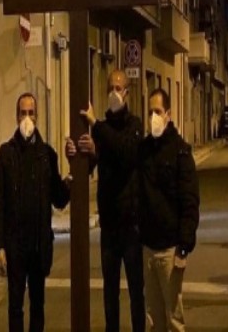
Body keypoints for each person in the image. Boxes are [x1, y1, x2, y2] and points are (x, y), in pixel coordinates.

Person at [66, 70, 146, 332]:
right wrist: (79, 154)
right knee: (110, 292)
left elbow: (126, 153)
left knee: (136, 291)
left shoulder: (135, 125)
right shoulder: (102, 129)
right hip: (109, 225)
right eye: (110, 87)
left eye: (118, 87)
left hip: (132, 225)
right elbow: (93, 164)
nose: (114, 92)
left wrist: (97, 128)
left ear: (127, 93)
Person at [0, 93, 71, 332]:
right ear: (17, 116)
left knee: (38, 305)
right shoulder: (7, 153)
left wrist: (71, 177)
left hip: (38, 246)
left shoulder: (47, 154)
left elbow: (58, 199)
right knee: (15, 306)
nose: (27, 118)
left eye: (31, 113)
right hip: (15, 247)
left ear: (37, 116)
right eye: (23, 113)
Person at [139, 89, 200, 330]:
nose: (154, 116)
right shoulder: (144, 150)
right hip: (148, 248)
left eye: (158, 112)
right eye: (150, 112)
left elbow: (190, 200)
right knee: (153, 319)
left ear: (169, 115)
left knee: (174, 318)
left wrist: (184, 246)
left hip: (170, 250)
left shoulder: (180, 151)